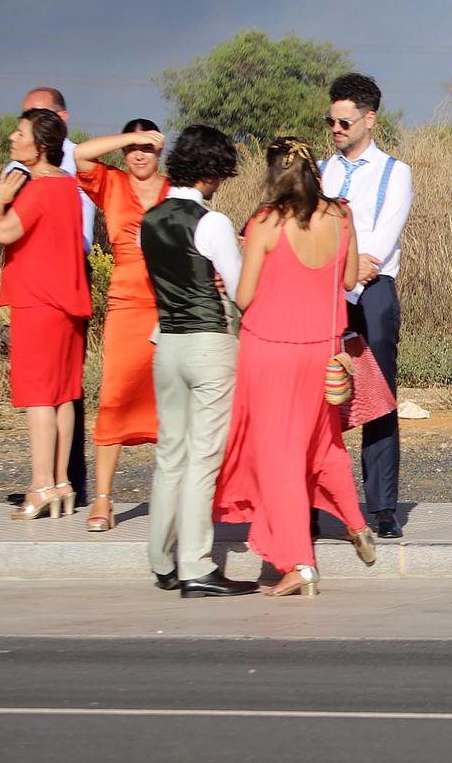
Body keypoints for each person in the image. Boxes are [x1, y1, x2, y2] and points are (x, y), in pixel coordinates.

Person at [214, 137, 377, 597]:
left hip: (270, 349)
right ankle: (356, 522)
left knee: (278, 457)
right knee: (323, 444)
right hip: (323, 351)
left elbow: (244, 298)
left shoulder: (266, 222)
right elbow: (347, 280)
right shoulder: (341, 215)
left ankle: (299, 562)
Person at [141, 125, 257, 598]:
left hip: (166, 343)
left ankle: (161, 559)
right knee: (203, 457)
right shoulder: (212, 222)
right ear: (212, 173)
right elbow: (239, 287)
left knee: (170, 453)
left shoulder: (149, 220)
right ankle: (196, 566)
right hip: (209, 343)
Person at [0, 87, 95, 508]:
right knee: (63, 395)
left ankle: (41, 484)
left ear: (39, 146)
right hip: (67, 302)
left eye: (19, 133)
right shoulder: (67, 187)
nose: (11, 137)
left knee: (39, 395)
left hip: (37, 300)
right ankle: (61, 483)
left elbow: (3, 233)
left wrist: (0, 203)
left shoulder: (37, 188)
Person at [320, 73, 412, 540]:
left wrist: (352, 267)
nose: (336, 128)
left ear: (369, 119)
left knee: (377, 399)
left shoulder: (395, 172)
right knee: (324, 398)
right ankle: (322, 501)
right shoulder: (322, 169)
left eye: (345, 121)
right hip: (326, 292)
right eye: (331, 120)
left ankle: (381, 507)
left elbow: (382, 238)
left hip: (373, 291)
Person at [72, 120, 169, 532]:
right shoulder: (110, 183)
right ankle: (103, 500)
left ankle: (176, 500)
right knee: (114, 397)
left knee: (172, 403)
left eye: (148, 146)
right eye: (133, 147)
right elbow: (80, 155)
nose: (140, 154)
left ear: (161, 149)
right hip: (127, 304)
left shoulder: (174, 189)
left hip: (170, 303)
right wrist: (130, 137)